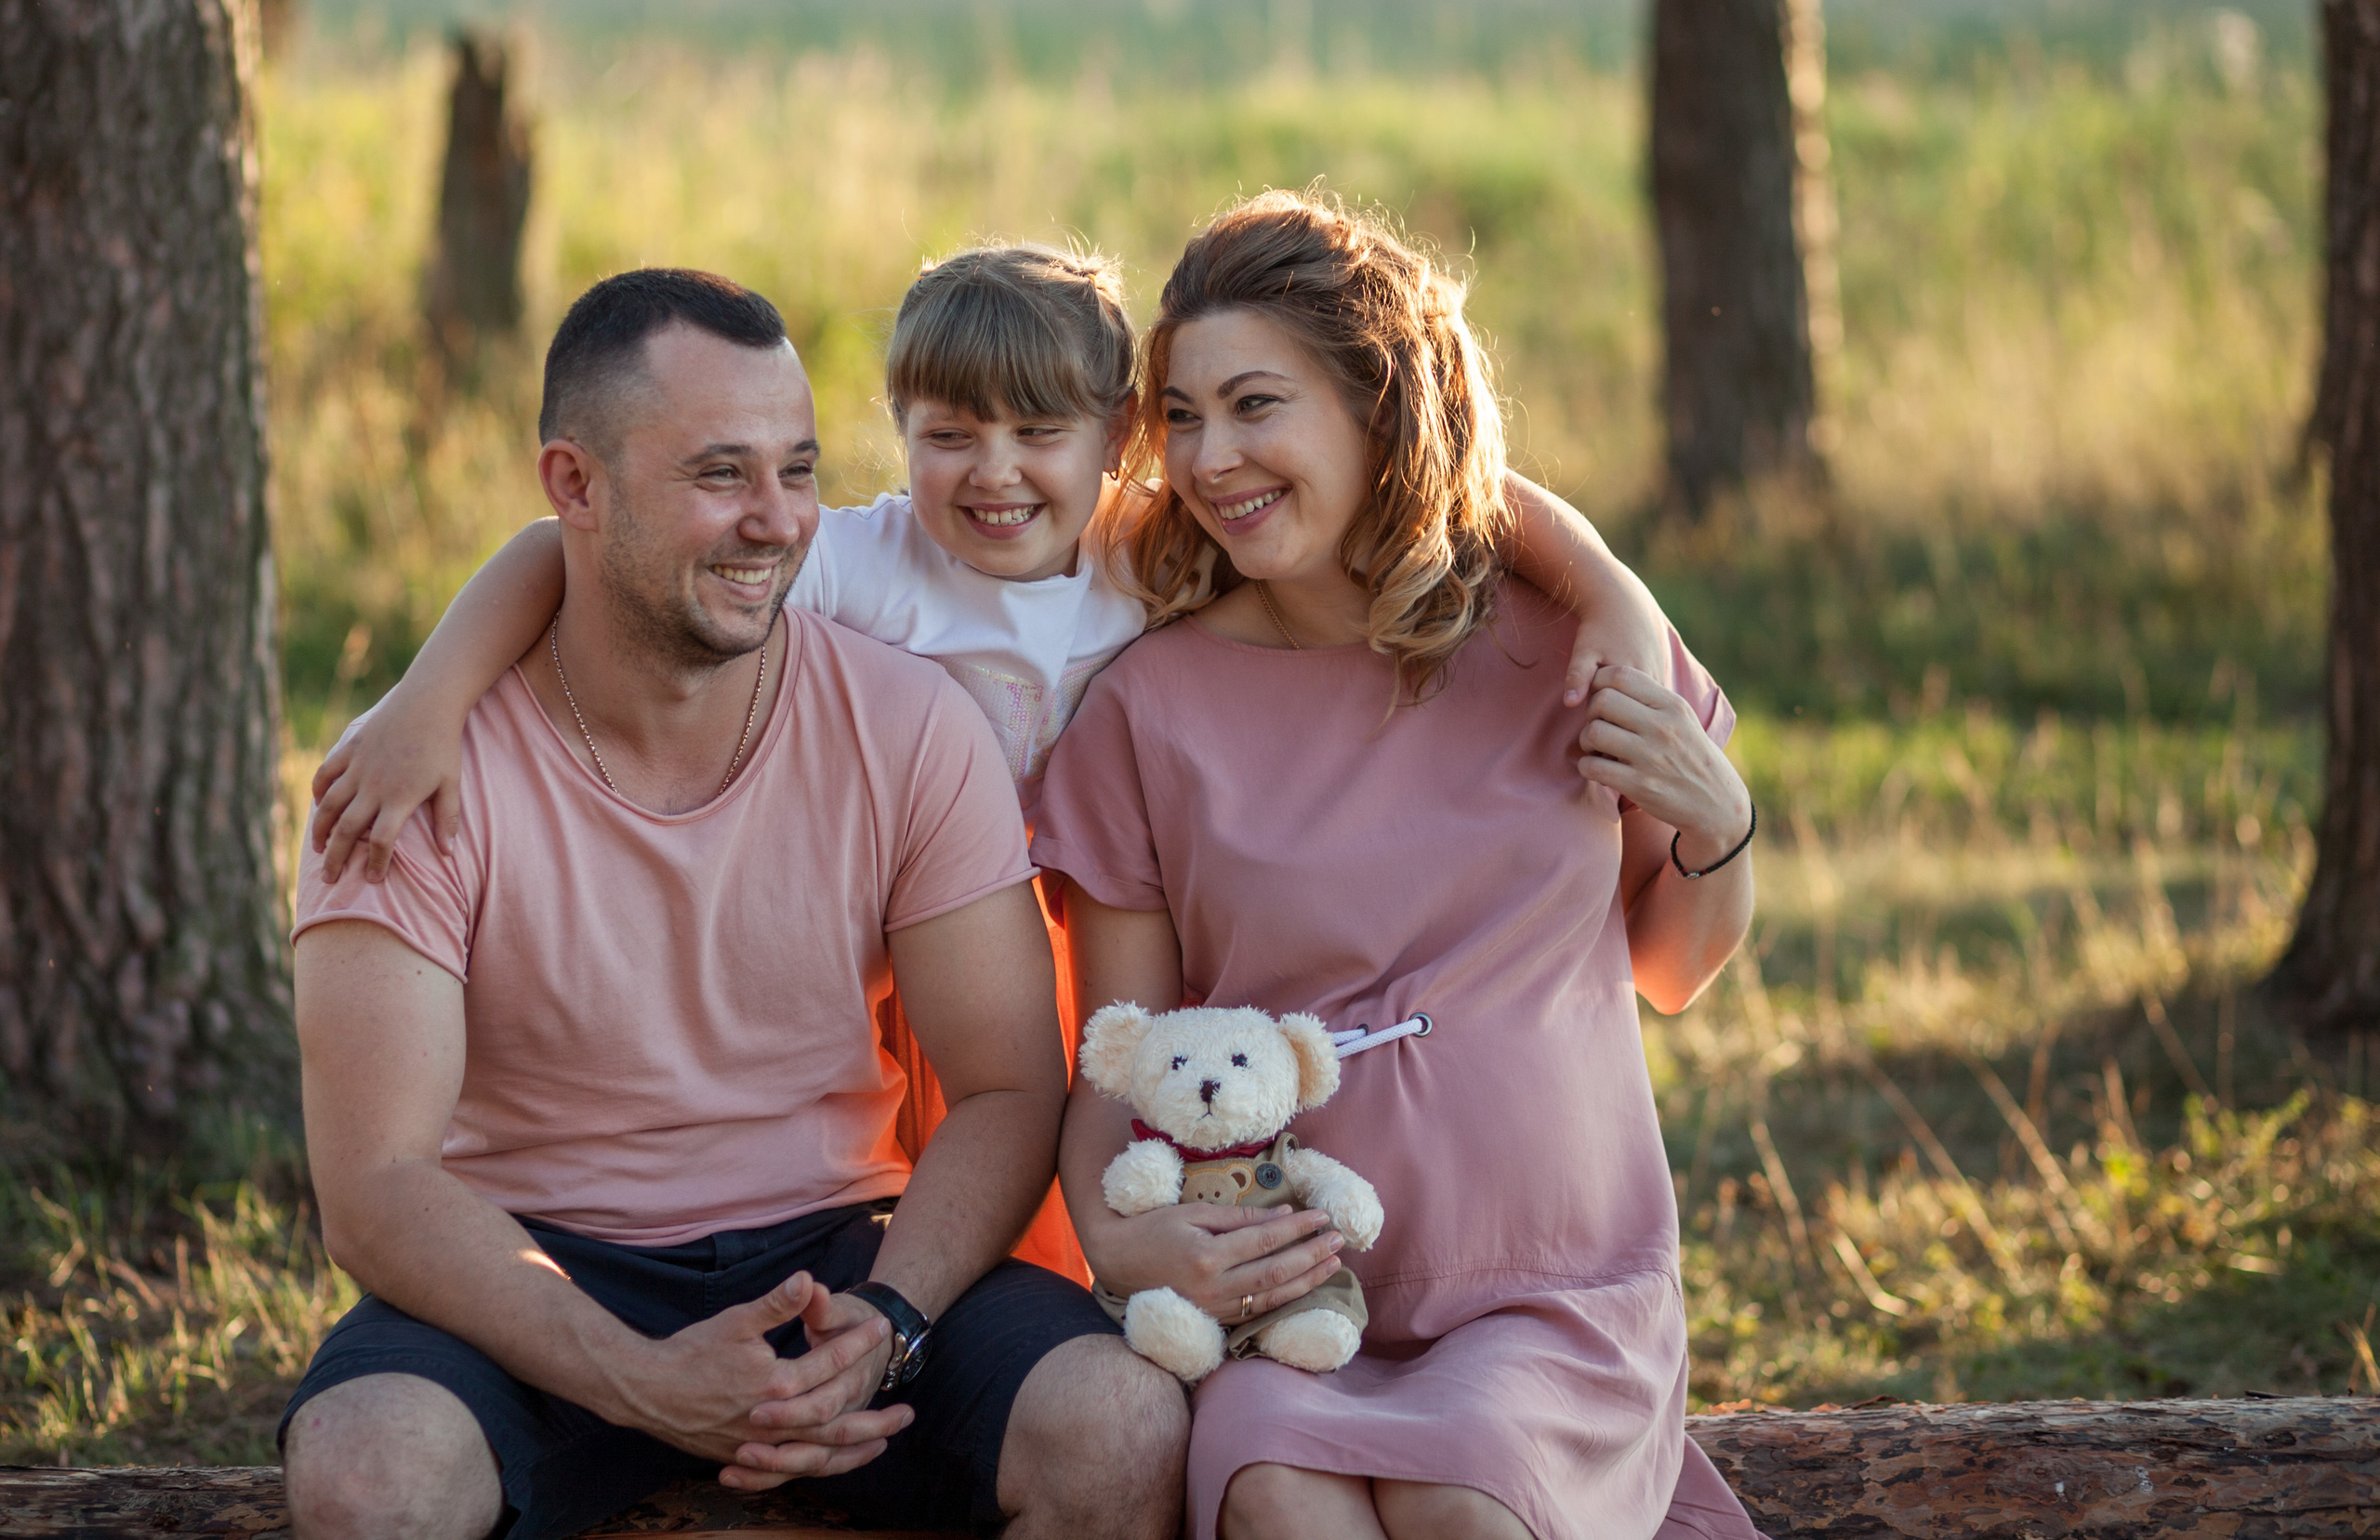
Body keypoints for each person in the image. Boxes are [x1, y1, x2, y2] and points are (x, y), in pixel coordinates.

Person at [302, 244, 1676, 1287]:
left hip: (1098, 927)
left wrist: (1607, 586)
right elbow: (558, 551)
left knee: (1099, 1166)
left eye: (1037, 435)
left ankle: (1097, 1345)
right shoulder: (866, 561)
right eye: (948, 437)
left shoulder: (1151, 545)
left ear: (1117, 442)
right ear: (901, 434)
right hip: (920, 939)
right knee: (941, 1177)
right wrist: (431, 698)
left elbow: (1454, 489)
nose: (994, 475)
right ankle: (933, 1334)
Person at [278, 268, 1187, 1540]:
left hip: (841, 1253)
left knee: (1121, 1425)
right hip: (530, 1265)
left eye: (798, 472)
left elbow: (1006, 1086)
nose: (775, 522)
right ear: (575, 486)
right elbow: (376, 1183)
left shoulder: (911, 721)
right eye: (720, 476)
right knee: (370, 1471)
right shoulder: (409, 774)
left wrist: (889, 1321)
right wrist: (635, 1376)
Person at [1034, 191, 1764, 1540]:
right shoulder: (1147, 710)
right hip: (1287, 1299)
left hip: (1552, 1288)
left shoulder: (1566, 639)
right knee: (1274, 1499)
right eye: (1182, 416)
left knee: (1463, 1505)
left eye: (1256, 405)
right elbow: (1115, 1059)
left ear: (1378, 406)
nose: (1211, 459)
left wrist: (1721, 824)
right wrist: (1127, 1242)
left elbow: (1674, 965)